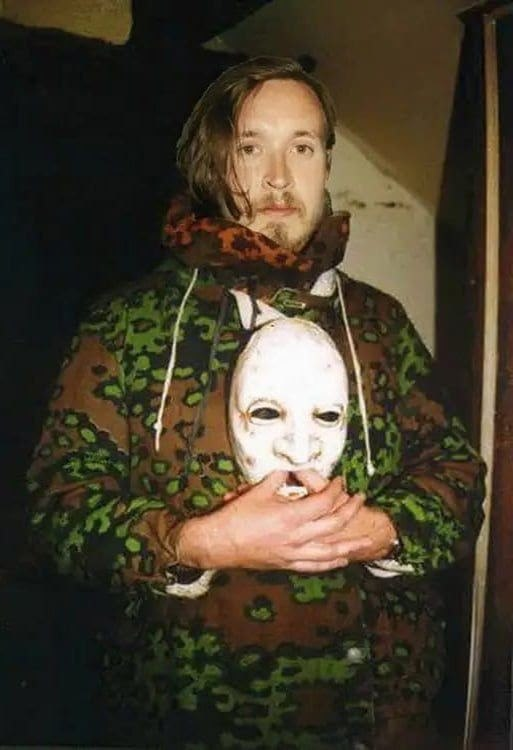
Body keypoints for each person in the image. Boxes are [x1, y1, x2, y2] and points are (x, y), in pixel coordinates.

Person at [28, 56, 485, 749]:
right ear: (213, 162)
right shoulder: (125, 323)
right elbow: (58, 505)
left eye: (301, 147)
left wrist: (386, 531)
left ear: (325, 164)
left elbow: (458, 475)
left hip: (376, 719)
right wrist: (195, 542)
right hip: (186, 720)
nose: (278, 178)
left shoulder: (380, 323)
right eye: (251, 148)